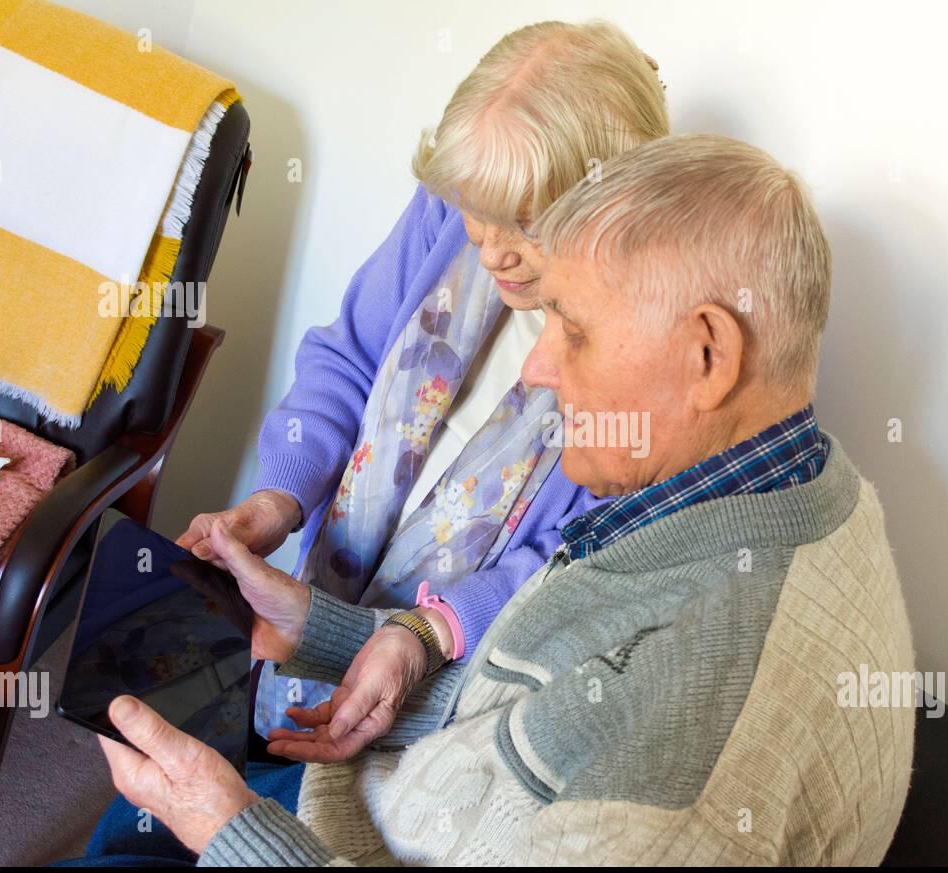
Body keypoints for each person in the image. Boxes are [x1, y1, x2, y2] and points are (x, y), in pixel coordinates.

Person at [86, 133, 917, 866]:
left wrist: (230, 830)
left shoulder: (681, 781)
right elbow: (554, 700)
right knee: (141, 796)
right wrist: (328, 633)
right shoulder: (777, 478)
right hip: (386, 791)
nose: (537, 368)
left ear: (708, 354)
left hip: (351, 835)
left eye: (576, 331)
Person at [175, 20, 670, 747]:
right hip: (310, 610)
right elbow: (346, 359)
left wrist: (432, 629)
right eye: (478, 212)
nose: (492, 251)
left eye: (525, 224)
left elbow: (588, 560)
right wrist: (276, 498)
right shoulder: (450, 213)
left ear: (610, 206)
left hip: (449, 693)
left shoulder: (650, 336)